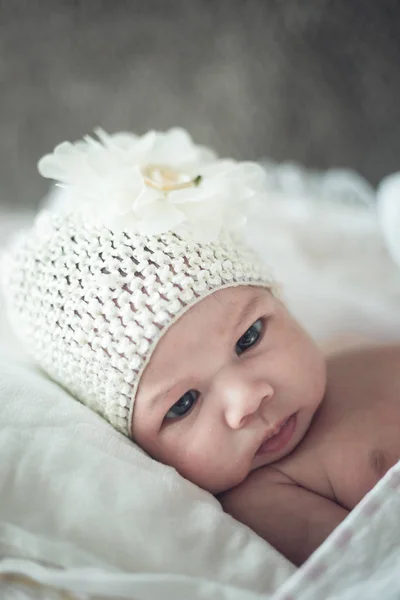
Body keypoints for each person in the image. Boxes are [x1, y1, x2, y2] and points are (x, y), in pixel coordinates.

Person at [2, 128, 399, 567]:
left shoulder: (346, 347)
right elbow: (371, 571)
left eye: (249, 338)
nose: (247, 399)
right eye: (184, 404)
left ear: (279, 302)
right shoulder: (265, 498)